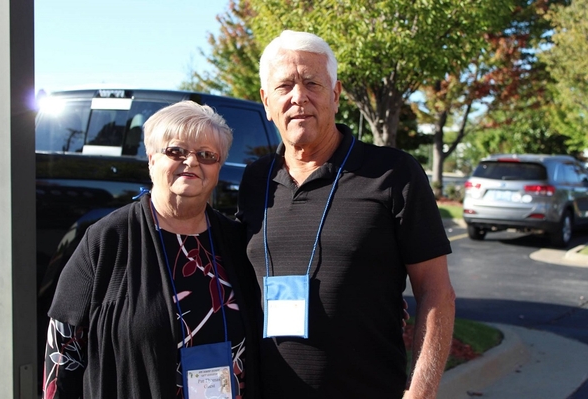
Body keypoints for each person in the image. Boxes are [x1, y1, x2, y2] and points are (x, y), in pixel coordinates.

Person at [236, 30, 456, 399]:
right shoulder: (256, 179)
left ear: (336, 96)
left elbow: (437, 291)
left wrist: (421, 392)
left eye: (312, 83)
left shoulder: (392, 173)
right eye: (284, 86)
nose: (298, 97)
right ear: (266, 101)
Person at [43, 101, 261, 399]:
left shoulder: (237, 242)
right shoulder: (107, 239)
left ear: (219, 166)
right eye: (176, 151)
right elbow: (63, 351)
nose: (192, 162)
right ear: (151, 160)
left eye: (206, 155)